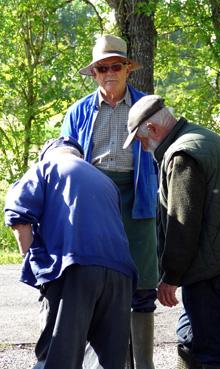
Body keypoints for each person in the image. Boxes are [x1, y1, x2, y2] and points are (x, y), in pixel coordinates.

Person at [123, 94, 220, 369]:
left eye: (141, 141)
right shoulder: (204, 138)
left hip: (210, 267)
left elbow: (183, 222)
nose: (143, 148)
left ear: (152, 130)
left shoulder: (182, 155)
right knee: (190, 337)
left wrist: (170, 276)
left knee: (212, 349)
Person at [61, 34, 159, 369]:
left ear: (128, 69)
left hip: (139, 200)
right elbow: (65, 159)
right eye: (102, 68)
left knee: (143, 288)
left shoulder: (149, 105)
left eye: (115, 66)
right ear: (94, 74)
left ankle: (143, 365)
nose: (109, 73)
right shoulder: (78, 112)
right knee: (96, 284)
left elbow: (168, 152)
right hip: (94, 202)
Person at [4, 136, 138, 369]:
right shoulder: (107, 181)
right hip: (121, 275)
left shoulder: (45, 167)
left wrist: (34, 265)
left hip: (75, 268)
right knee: (106, 361)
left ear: (47, 154)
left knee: (58, 356)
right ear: (80, 156)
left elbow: (19, 218)